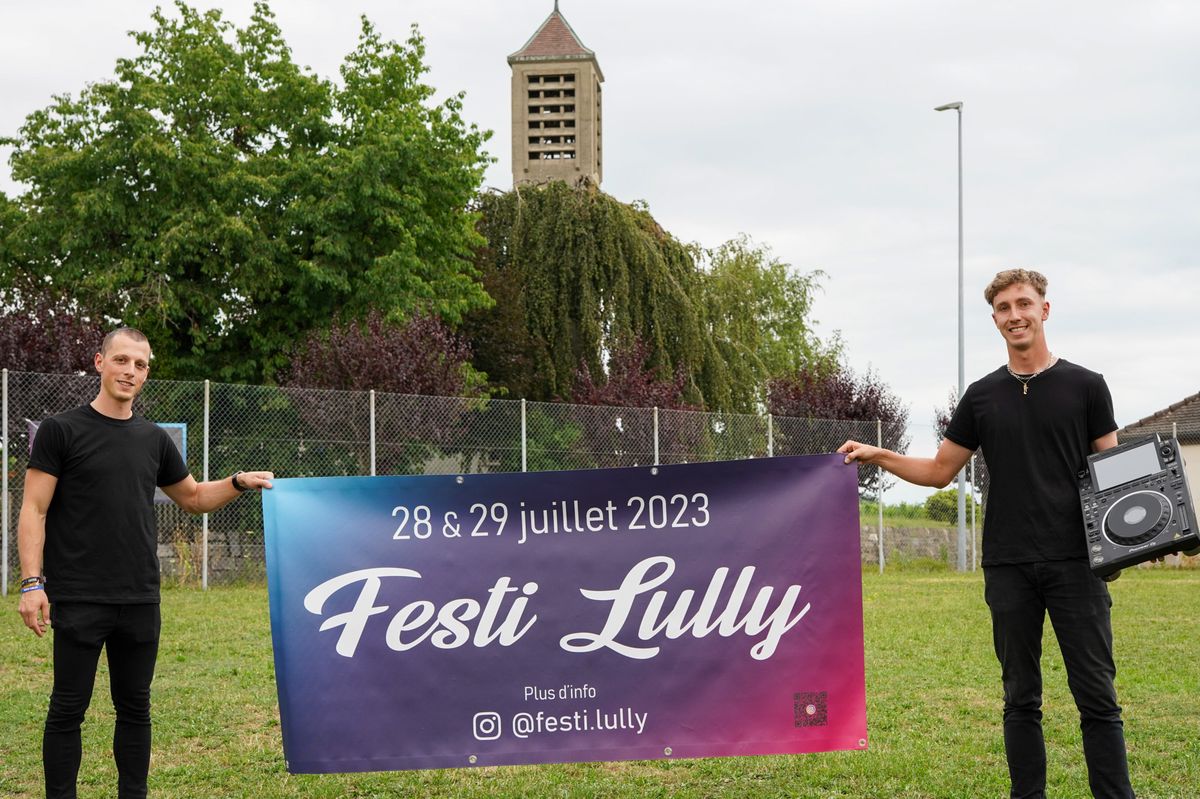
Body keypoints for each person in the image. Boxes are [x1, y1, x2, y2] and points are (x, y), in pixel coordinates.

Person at [838, 269, 1136, 799]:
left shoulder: (1087, 385)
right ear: (995, 319)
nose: (1014, 314)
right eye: (1003, 307)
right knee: (1020, 697)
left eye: (1024, 303)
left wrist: (1144, 536)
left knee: (1097, 697)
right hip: (1009, 564)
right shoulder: (981, 396)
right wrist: (877, 453)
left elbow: (1111, 472)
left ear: (1044, 310)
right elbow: (937, 471)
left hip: (1076, 563)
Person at [16, 327, 274, 799]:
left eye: (139, 364)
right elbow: (34, 509)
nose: (129, 371)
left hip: (138, 598)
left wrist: (237, 481)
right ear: (99, 362)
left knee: (135, 707)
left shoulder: (154, 439)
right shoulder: (60, 430)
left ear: (147, 372)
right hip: (78, 595)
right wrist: (32, 583)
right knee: (67, 708)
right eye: (121, 360)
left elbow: (193, 497)